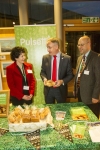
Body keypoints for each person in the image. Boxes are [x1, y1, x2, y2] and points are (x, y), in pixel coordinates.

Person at [40, 37, 74, 104]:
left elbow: (70, 75)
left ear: (56, 47)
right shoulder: (45, 58)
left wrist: (62, 81)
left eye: (49, 47)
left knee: (61, 110)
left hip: (61, 90)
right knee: (49, 110)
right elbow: (42, 72)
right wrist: (44, 79)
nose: (48, 50)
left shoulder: (67, 58)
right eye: (47, 47)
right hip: (48, 90)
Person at [74, 35, 100, 118]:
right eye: (78, 45)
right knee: (83, 117)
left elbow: (98, 79)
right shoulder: (79, 58)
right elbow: (78, 75)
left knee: (93, 119)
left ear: (89, 44)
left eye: (82, 45)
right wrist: (75, 88)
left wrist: (96, 96)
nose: (80, 47)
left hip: (91, 97)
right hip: (80, 94)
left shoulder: (96, 57)